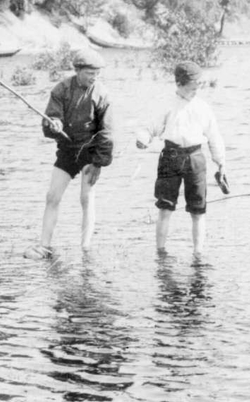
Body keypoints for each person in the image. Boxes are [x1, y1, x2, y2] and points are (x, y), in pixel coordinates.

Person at [28, 48, 116, 259]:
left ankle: (86, 247)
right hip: (67, 150)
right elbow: (52, 117)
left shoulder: (102, 93)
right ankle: (44, 245)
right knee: (52, 197)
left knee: (86, 197)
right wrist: (54, 124)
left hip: (90, 151)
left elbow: (107, 131)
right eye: (89, 73)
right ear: (77, 70)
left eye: (97, 73)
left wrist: (98, 162)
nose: (94, 77)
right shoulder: (61, 89)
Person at [135, 61, 227, 256]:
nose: (195, 91)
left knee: (198, 210)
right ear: (179, 83)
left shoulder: (203, 107)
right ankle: (160, 252)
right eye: (191, 87)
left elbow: (214, 136)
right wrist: (142, 139)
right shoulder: (165, 104)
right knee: (165, 208)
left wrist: (220, 162)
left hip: (196, 158)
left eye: (197, 87)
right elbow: (149, 127)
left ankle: (198, 253)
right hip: (170, 156)